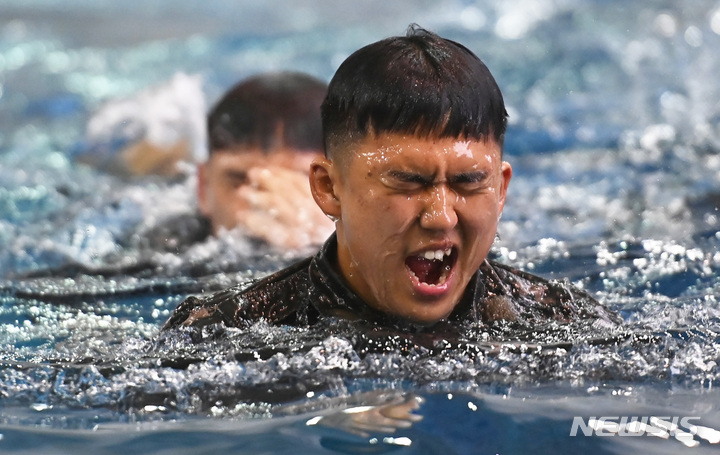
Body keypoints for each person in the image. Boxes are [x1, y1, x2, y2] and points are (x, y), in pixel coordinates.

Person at [162, 26, 619, 338]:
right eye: (407, 182)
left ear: (500, 189)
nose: (440, 216)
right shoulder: (224, 330)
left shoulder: (564, 323)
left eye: (467, 182)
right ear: (327, 188)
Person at [139, 71, 336, 252]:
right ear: (203, 187)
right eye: (239, 180)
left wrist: (326, 246)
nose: (262, 204)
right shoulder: (163, 245)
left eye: (297, 182)